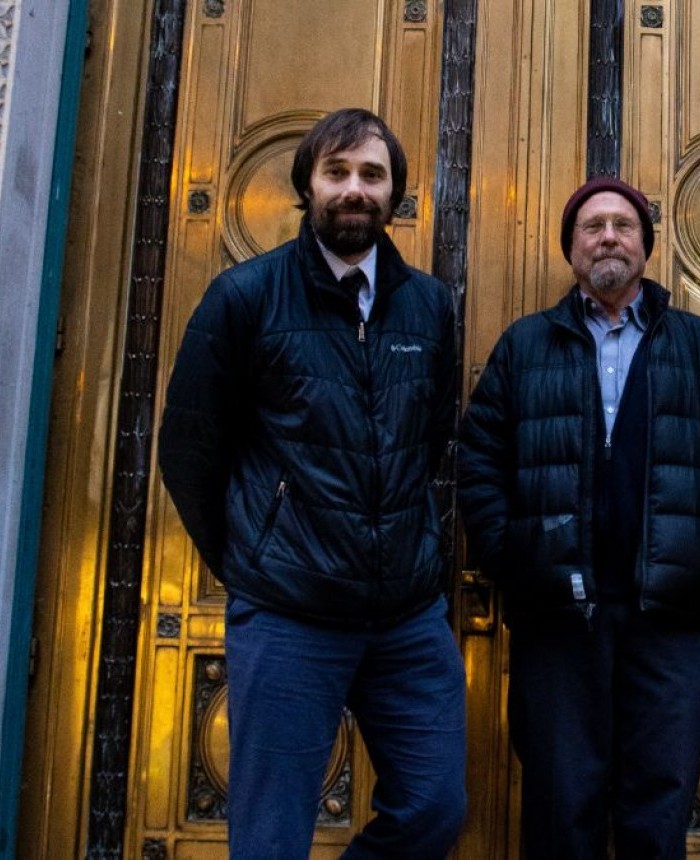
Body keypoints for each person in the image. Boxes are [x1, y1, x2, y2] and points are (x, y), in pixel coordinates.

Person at [158, 108, 466, 859]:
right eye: (337, 172)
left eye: (372, 175)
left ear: (394, 194)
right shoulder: (245, 297)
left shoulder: (429, 305)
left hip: (406, 616)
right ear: (308, 186)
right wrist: (254, 556)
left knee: (434, 807)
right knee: (270, 836)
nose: (354, 189)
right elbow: (189, 449)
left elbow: (429, 439)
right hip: (289, 612)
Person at [457, 176, 700, 859]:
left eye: (623, 226)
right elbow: (479, 459)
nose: (608, 238)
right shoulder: (525, 346)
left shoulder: (698, 345)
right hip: (557, 618)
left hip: (666, 618)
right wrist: (512, 554)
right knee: (561, 809)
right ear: (571, 248)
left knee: (657, 807)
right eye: (592, 227)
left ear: (645, 247)